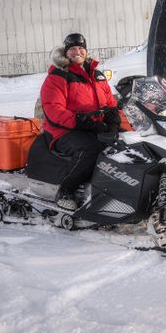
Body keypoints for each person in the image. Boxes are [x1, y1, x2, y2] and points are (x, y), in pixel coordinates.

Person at [40, 33, 120, 210]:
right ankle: (65, 191)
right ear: (66, 52)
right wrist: (87, 123)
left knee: (125, 144)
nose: (77, 52)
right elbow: (55, 111)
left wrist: (114, 123)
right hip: (63, 131)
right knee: (92, 148)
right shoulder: (58, 76)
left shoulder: (96, 75)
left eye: (81, 48)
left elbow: (111, 103)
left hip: (92, 128)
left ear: (86, 51)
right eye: (73, 49)